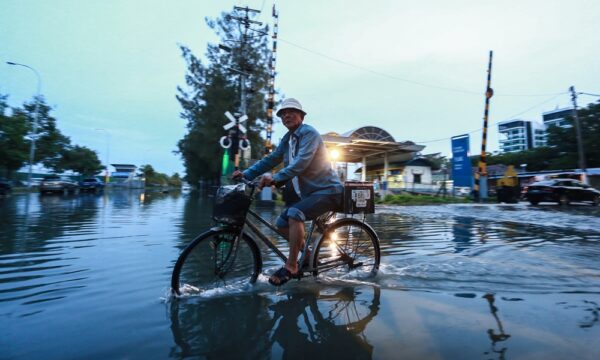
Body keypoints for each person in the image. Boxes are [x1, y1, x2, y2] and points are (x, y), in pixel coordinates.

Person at [232, 98, 343, 286]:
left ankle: (292, 266)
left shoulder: (309, 133)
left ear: (301, 115)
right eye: (283, 113)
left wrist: (276, 178)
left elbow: (301, 162)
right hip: (311, 195)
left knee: (294, 214)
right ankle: (307, 256)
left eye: (291, 111)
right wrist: (247, 174)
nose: (286, 115)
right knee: (281, 222)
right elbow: (272, 159)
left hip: (329, 191)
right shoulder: (288, 139)